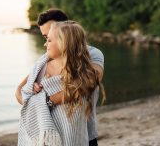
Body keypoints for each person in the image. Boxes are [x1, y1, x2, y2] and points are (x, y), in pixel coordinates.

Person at [15, 9, 106, 146]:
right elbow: (19, 91)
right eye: (45, 37)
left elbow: (89, 82)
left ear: (66, 29)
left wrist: (47, 101)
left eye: (49, 37)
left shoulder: (92, 54)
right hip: (48, 137)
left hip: (84, 134)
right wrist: (32, 97)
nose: (46, 43)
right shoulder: (44, 61)